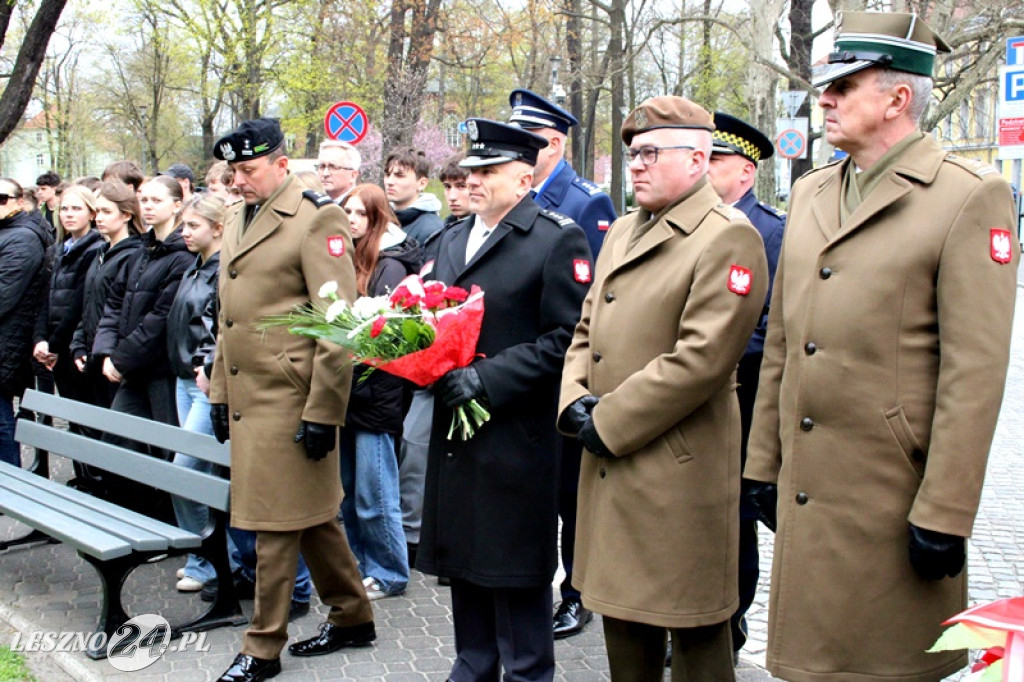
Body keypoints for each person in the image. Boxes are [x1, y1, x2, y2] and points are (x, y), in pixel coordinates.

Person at [743, 12, 1020, 682]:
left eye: (845, 86)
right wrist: (761, 463)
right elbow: (781, 338)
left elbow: (973, 372)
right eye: (826, 86)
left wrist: (947, 511)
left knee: (883, 666)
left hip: (893, 500)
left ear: (898, 99)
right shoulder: (811, 192)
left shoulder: (966, 196)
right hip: (810, 494)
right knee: (810, 665)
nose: (826, 99)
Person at [558, 96, 767, 681]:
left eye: (650, 153)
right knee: (624, 629)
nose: (637, 165)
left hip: (676, 469)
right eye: (632, 154)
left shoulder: (727, 236)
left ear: (699, 158)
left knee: (695, 634)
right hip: (613, 462)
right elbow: (585, 327)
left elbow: (701, 358)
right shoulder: (624, 230)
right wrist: (574, 400)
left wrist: (606, 421)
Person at [417, 118, 592, 681]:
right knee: (466, 567)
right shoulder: (451, 237)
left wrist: (487, 381)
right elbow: (433, 324)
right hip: (458, 435)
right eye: (470, 170)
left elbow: (568, 339)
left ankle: (525, 673)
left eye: (488, 171)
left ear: (523, 180)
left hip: (515, 436)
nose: (473, 181)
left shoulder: (553, 237)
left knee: (512, 573)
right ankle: (472, 667)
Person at [208, 117, 374, 682]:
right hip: (248, 394)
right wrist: (218, 389)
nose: (238, 181)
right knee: (312, 517)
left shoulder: (315, 218)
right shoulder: (237, 216)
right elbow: (229, 315)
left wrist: (324, 410)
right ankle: (353, 616)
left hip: (292, 396)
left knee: (273, 523)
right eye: (233, 171)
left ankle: (262, 646)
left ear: (282, 164)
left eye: (248, 170)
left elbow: (338, 322)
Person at [507, 88, 619, 639]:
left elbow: (596, 298)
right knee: (533, 488)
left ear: (553, 142)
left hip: (565, 368)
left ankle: (576, 592)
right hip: (521, 367)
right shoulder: (514, 195)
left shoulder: (586, 201)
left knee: (570, 493)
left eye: (527, 140)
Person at [706, 111, 785, 659]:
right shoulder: (689, 225)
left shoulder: (771, 232)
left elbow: (773, 324)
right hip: (690, 405)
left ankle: (729, 629)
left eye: (715, 160)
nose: (704, 168)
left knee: (735, 522)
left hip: (743, 401)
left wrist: (705, 358)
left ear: (746, 174)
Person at [91, 176, 193, 513]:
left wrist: (120, 360)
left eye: (156, 201)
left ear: (177, 204)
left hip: (160, 369)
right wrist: (106, 351)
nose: (147, 207)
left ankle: (178, 527)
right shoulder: (142, 250)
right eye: (143, 200)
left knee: (169, 450)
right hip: (132, 367)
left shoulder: (183, 255)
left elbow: (160, 319)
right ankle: (136, 515)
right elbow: (114, 303)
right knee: (116, 440)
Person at [339, 183, 421, 601]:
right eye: (346, 211)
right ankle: (364, 566)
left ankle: (389, 571)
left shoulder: (389, 266)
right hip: (348, 394)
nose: (351, 219)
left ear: (377, 218)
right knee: (350, 493)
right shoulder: (348, 259)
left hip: (376, 396)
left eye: (360, 213)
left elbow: (390, 338)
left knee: (376, 493)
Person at [400, 154, 470, 569]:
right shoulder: (441, 238)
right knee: (415, 449)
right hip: (431, 374)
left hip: (471, 373)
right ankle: (419, 538)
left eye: (463, 185)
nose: (456, 195)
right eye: (450, 186)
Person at [166, 193, 224, 593]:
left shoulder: (222, 271)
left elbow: (218, 326)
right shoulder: (194, 267)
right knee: (193, 472)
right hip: (183, 380)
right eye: (184, 225)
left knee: (186, 470)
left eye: (193, 226)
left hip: (205, 382)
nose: (184, 232)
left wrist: (206, 364)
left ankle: (208, 560)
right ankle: (201, 556)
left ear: (218, 228)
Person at [32, 185, 105, 422]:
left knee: (87, 420)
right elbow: (45, 298)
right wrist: (40, 338)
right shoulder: (57, 251)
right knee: (74, 420)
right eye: (64, 209)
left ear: (92, 214)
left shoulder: (96, 250)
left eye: (76, 208)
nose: (69, 214)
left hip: (75, 346)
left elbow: (78, 304)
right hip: (55, 345)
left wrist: (53, 346)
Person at [71, 182, 144, 412]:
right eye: (97, 211)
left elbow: (122, 311)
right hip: (93, 356)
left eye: (106, 211)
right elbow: (89, 303)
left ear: (126, 215)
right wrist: (79, 345)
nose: (98, 218)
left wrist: (111, 355)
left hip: (114, 360)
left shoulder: (133, 255)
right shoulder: (100, 253)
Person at [0, 179, 53, 466]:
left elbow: (5, 292)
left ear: (20, 202)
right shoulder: (8, 232)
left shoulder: (22, 237)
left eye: (2, 198)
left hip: (9, 340)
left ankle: (9, 486)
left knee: (1, 420)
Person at [383, 147, 443, 245]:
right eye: (388, 174)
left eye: (399, 176)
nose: (390, 182)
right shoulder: (380, 220)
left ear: (421, 183)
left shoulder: (432, 230)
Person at [35, 171, 62, 241]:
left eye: (43, 189)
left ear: (54, 189)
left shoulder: (64, 209)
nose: (39, 192)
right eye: (38, 189)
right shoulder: (39, 210)